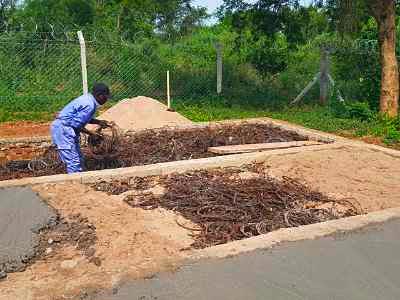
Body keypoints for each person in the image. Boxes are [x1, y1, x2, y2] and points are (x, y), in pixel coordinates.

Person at [51, 83, 112, 174]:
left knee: (79, 158)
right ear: (100, 95)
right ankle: (75, 183)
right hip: (64, 129)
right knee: (73, 161)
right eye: (106, 97)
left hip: (66, 128)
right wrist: (92, 134)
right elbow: (76, 125)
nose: (106, 100)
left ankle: (78, 178)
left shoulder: (88, 99)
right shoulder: (90, 105)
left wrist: (98, 122)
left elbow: (81, 118)